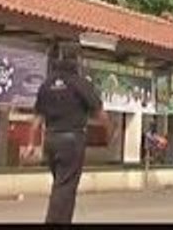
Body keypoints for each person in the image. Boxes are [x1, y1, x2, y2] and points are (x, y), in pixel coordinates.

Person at [24, 50, 110, 224]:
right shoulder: (80, 83)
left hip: (51, 140)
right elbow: (100, 113)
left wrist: (31, 144)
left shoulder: (46, 85)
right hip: (71, 141)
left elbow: (36, 120)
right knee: (65, 188)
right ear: (76, 64)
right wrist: (109, 132)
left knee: (61, 185)